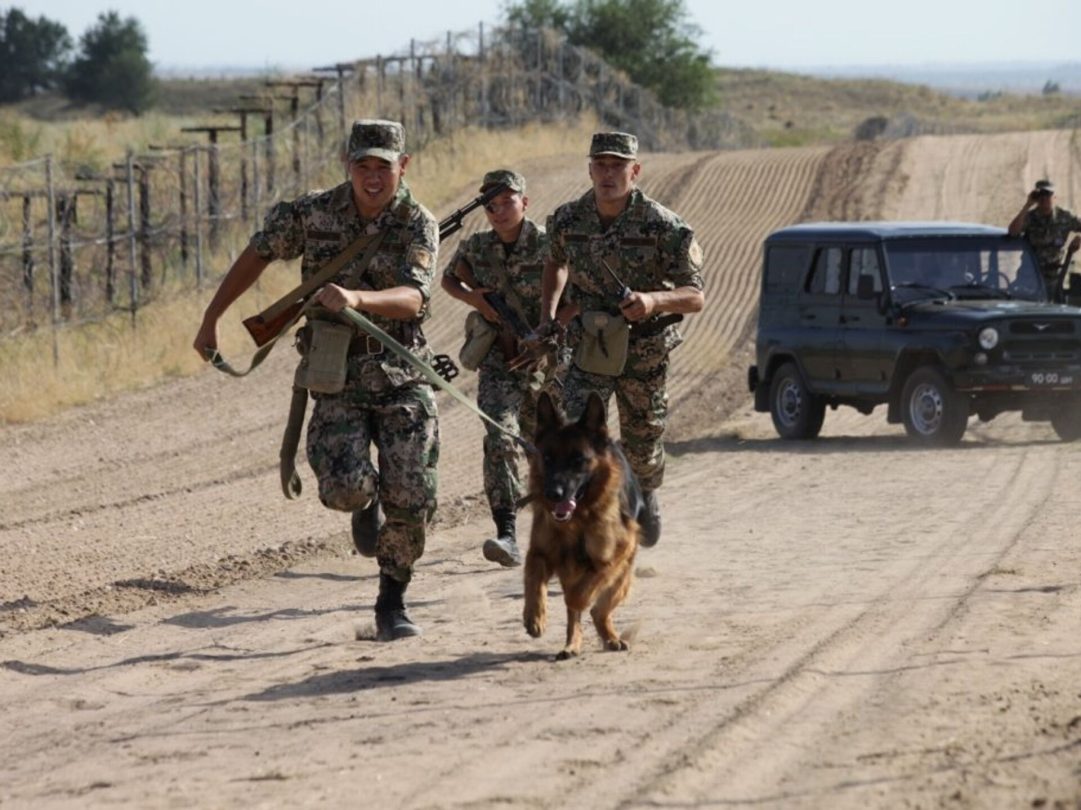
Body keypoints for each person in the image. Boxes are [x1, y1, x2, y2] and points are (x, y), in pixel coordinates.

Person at [193, 119, 439, 642]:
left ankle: (391, 601)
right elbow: (257, 254)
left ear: (404, 166)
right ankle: (363, 505)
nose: (373, 178)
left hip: (400, 373)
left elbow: (416, 298)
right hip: (335, 374)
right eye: (362, 166)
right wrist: (212, 318)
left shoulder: (419, 222)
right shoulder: (311, 212)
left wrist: (356, 299)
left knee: (412, 494)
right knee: (346, 489)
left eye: (384, 167)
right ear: (347, 164)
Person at [539, 132, 705, 548]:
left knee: (642, 444)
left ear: (635, 170)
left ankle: (646, 491)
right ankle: (583, 525)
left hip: (642, 351)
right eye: (601, 164)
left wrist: (653, 300)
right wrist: (548, 314)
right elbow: (555, 264)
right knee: (577, 438)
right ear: (590, 168)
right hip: (588, 347)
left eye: (618, 166)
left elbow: (694, 295)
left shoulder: (664, 226)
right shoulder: (567, 220)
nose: (608, 173)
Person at [441, 169, 566, 567]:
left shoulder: (550, 246)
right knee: (499, 437)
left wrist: (549, 333)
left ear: (525, 202)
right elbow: (447, 279)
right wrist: (475, 301)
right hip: (500, 360)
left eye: (507, 201)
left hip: (547, 364)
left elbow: (579, 296)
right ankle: (507, 531)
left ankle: (563, 528)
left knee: (549, 448)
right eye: (491, 205)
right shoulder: (476, 248)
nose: (498, 211)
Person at [1008, 179, 1081, 294]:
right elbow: (1013, 231)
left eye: (1048, 195)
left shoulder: (1065, 217)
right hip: (1030, 275)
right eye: (1040, 195)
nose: (1044, 199)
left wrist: (1077, 240)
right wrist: (1027, 206)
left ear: (1054, 197)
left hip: (1055, 277)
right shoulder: (1029, 218)